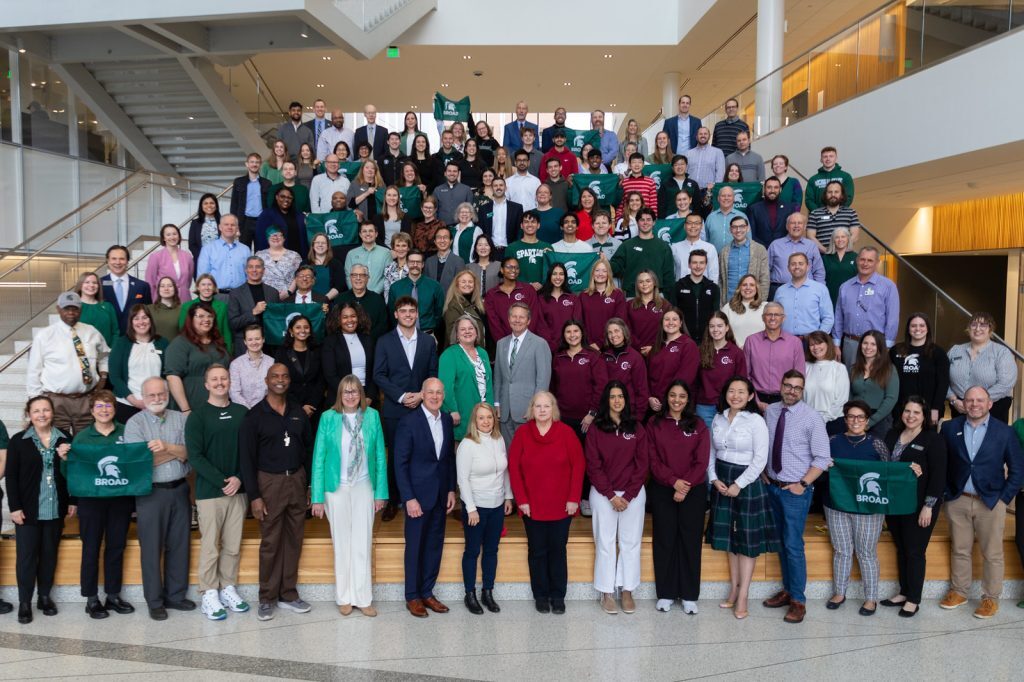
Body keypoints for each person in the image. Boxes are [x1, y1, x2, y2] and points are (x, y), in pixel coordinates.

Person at [940, 386, 1024, 618]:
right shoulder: (949, 428)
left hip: (991, 502)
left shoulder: (1004, 432)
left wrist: (1003, 499)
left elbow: (1018, 470)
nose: (974, 404)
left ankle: (990, 598)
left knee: (993, 553)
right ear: (963, 404)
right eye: (969, 400)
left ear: (990, 404)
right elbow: (941, 464)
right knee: (960, 549)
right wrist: (947, 494)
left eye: (980, 400)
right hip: (958, 500)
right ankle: (959, 591)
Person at [239, 363, 315, 621]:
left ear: (289, 380)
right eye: (275, 376)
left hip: (296, 480)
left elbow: (308, 450)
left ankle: (289, 594)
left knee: (294, 540)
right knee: (271, 542)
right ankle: (267, 597)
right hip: (268, 484)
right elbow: (246, 460)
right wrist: (254, 497)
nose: (280, 380)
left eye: (284, 376)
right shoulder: (254, 416)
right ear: (266, 380)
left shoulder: (298, 413)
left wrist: (309, 485)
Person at [311, 375, 387, 617]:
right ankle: (344, 596)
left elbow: (379, 457)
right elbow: (319, 458)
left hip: (364, 487)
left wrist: (381, 494)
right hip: (336, 489)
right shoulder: (328, 418)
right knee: (342, 542)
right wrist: (317, 498)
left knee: (362, 542)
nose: (351, 396)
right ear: (339, 395)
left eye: (355, 391)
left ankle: (363, 597)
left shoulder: (372, 416)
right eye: (346, 392)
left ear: (362, 395)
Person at [761, 369, 831, 624]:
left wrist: (803, 483)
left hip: (796, 491)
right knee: (780, 541)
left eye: (797, 387)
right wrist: (763, 473)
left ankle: (799, 600)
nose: (791, 390)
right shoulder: (770, 412)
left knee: (792, 544)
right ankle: (788, 590)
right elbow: (765, 446)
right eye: (787, 385)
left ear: (803, 391)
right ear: (781, 385)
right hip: (772, 486)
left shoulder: (812, 418)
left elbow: (823, 458)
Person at [705, 376, 777, 619]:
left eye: (741, 392)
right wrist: (713, 478)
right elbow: (711, 453)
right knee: (730, 540)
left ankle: (744, 594)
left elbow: (760, 459)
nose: (735, 395)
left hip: (746, 481)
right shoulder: (718, 417)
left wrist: (739, 484)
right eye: (731, 391)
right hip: (722, 479)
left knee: (746, 542)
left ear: (749, 396)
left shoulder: (756, 421)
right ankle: (733, 590)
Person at [508, 391, 584, 614]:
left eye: (547, 406)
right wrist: (521, 500)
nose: (542, 410)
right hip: (532, 506)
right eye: (538, 406)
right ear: (532, 409)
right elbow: (514, 469)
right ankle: (540, 595)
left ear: (554, 409)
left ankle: (558, 595)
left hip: (562, 506)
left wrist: (573, 499)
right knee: (537, 552)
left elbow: (578, 467)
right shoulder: (522, 434)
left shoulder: (566, 433)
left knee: (558, 551)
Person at [124, 377, 193, 621]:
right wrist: (175, 451)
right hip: (150, 494)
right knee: (151, 548)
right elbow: (139, 464)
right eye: (151, 395)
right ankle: (155, 601)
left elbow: (190, 453)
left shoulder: (181, 419)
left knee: (179, 544)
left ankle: (175, 596)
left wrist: (165, 447)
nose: (157, 398)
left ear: (167, 394)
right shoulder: (135, 423)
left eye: (161, 394)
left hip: (180, 490)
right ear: (143, 397)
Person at [185, 365, 250, 620]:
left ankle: (228, 587)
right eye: (215, 379)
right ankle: (209, 593)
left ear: (230, 381)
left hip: (238, 491)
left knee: (233, 545)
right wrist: (223, 480)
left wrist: (239, 479)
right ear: (206, 384)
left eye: (224, 378)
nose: (220, 382)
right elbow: (195, 457)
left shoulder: (242, 413)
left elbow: (249, 452)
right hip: (210, 492)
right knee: (211, 545)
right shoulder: (198, 416)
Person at [646, 380, 710, 615]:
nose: (677, 400)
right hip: (663, 489)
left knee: (690, 541)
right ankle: (665, 592)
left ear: (688, 399)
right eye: (672, 395)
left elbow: (702, 461)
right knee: (665, 539)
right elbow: (652, 460)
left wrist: (684, 487)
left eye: (682, 396)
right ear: (666, 397)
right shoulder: (655, 423)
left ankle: (690, 595)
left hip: (693, 490)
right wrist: (673, 481)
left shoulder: (699, 424)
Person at [584, 381, 649, 615]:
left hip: (632, 494)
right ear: (606, 400)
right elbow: (593, 465)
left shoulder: (637, 428)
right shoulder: (596, 429)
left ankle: (628, 590)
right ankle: (607, 592)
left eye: (620, 396)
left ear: (626, 400)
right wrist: (611, 495)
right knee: (605, 542)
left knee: (631, 543)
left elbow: (642, 465)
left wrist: (628, 495)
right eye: (612, 397)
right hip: (604, 494)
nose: (617, 400)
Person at [69, 390, 135, 619]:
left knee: (116, 547)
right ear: (91, 411)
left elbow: (135, 465)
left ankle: (113, 596)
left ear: (115, 409)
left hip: (120, 501)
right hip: (91, 502)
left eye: (108, 406)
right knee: (90, 549)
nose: (104, 410)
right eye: (99, 406)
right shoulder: (82, 438)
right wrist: (64, 459)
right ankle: (91, 598)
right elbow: (72, 473)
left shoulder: (127, 433)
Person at [7, 395, 73, 623]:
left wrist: (73, 500)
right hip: (27, 511)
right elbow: (11, 478)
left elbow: (73, 471)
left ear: (52, 412)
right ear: (29, 415)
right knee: (26, 558)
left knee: (48, 555)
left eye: (46, 410)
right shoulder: (18, 441)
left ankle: (44, 597)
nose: (42, 414)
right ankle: (24, 602)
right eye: (37, 411)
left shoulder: (64, 438)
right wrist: (14, 507)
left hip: (55, 508)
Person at [394, 378, 456, 618]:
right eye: (430, 392)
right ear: (422, 393)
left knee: (433, 545)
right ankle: (412, 596)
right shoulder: (408, 422)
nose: (434, 396)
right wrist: (408, 498)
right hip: (417, 499)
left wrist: (451, 489)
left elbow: (448, 458)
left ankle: (427, 592)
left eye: (439, 392)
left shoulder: (448, 420)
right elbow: (400, 464)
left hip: (440, 495)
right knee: (415, 547)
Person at [373, 296, 439, 520]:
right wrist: (401, 396)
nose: (408, 314)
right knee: (395, 456)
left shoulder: (428, 342)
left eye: (412, 310)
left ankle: (418, 497)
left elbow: (432, 373)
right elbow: (378, 375)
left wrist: (421, 395)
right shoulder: (384, 341)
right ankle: (393, 500)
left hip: (421, 407)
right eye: (403, 311)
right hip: (395, 409)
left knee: (420, 454)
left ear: (417, 314)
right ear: (395, 314)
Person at [822, 400, 891, 615]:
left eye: (860, 417)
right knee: (841, 550)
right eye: (851, 416)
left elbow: (888, 474)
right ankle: (839, 593)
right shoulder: (832, 441)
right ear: (845, 419)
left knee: (866, 553)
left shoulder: (877, 444)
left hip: (868, 508)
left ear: (867, 421)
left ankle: (871, 598)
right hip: (837, 505)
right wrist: (826, 466)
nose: (855, 421)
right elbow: (820, 469)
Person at [882, 396, 947, 617]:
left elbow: (939, 476)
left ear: (924, 416)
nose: (911, 416)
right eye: (907, 411)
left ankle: (914, 598)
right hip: (895, 502)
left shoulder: (933, 439)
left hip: (920, 504)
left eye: (916, 412)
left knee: (915, 550)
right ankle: (904, 591)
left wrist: (929, 506)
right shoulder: (892, 435)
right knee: (901, 548)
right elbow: (884, 466)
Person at [27, 291, 110, 435]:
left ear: (80, 309)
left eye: (75, 308)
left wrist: (103, 376)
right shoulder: (45, 336)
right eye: (66, 308)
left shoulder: (91, 331)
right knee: (58, 445)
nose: (71, 312)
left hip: (86, 399)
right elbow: (34, 371)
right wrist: (36, 403)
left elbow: (104, 355)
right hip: (56, 402)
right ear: (58, 309)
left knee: (86, 444)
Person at [455, 402, 511, 615]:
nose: (486, 421)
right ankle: (470, 594)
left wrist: (508, 496)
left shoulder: (498, 440)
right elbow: (463, 479)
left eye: (489, 417)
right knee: (472, 551)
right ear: (474, 421)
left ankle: (488, 591)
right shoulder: (467, 445)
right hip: (476, 507)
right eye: (481, 418)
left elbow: (504, 471)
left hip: (497, 505)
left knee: (491, 550)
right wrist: (470, 508)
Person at [494, 303, 552, 446]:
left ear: (528, 321)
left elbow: (543, 380)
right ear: (509, 319)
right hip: (505, 412)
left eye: (522, 317)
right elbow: (498, 377)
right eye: (514, 316)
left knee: (528, 453)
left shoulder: (540, 344)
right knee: (508, 454)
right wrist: (497, 403)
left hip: (527, 411)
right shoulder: (501, 344)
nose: (517, 320)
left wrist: (536, 407)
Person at [946, 311, 1018, 423]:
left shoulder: (1001, 352)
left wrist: (978, 402)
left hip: (993, 408)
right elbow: (942, 379)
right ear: (968, 329)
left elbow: (1005, 383)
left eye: (983, 325)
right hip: (959, 408)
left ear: (990, 329)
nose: (977, 328)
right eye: (973, 325)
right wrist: (953, 400)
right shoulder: (955, 350)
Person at [165, 302, 232, 414]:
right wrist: (186, 409)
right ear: (191, 319)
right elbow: (172, 377)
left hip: (219, 405)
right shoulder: (180, 343)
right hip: (191, 405)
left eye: (210, 316)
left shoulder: (218, 342)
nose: (206, 319)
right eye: (201, 316)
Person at [109, 304, 168, 424]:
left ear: (150, 320)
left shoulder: (163, 343)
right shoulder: (121, 343)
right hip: (127, 404)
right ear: (131, 322)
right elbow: (115, 377)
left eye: (145, 317)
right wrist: (134, 401)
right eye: (136, 318)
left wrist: (157, 399)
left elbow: (168, 374)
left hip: (157, 404)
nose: (141, 322)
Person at [551, 319, 606, 444]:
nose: (572, 335)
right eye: (568, 332)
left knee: (587, 455)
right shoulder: (558, 357)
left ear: (582, 333)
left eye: (576, 331)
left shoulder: (593, 355)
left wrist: (592, 413)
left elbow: (601, 387)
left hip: (586, 418)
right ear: (563, 335)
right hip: (562, 417)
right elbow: (553, 387)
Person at [440, 315, 493, 441]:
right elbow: (445, 386)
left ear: (476, 331)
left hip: (484, 416)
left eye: (471, 328)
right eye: (462, 329)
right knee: (464, 451)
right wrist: (452, 410)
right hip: (462, 414)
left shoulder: (483, 353)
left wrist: (491, 410)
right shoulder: (449, 354)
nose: (467, 331)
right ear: (457, 335)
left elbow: (489, 384)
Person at [890, 313, 950, 425]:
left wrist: (936, 409)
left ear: (927, 329)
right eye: (913, 326)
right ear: (908, 329)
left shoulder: (938, 353)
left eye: (922, 325)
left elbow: (943, 383)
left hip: (928, 411)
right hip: (900, 410)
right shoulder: (895, 351)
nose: (918, 329)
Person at [744, 302, 805, 409]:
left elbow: (799, 376)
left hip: (784, 399)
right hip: (756, 397)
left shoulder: (795, 343)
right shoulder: (751, 341)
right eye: (769, 314)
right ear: (763, 318)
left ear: (783, 318)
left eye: (777, 315)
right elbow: (745, 374)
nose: (772, 318)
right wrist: (755, 401)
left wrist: (787, 401)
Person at [696, 311, 747, 427]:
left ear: (727, 327)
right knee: (707, 443)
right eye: (712, 326)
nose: (715, 330)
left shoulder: (736, 353)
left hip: (729, 406)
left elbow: (742, 381)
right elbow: (695, 381)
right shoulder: (700, 351)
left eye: (720, 326)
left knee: (726, 443)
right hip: (704, 406)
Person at [647, 307, 699, 417]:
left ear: (680, 323)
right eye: (666, 319)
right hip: (655, 405)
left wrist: (667, 399)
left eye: (674, 319)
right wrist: (650, 397)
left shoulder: (688, 345)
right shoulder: (657, 346)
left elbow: (685, 377)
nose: (670, 322)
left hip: (676, 404)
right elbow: (647, 375)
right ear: (662, 323)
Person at [275, 314, 325, 428]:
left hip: (315, 407)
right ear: (291, 331)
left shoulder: (317, 351)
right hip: (291, 406)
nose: (302, 330)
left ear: (310, 331)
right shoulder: (282, 352)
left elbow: (321, 380)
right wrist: (299, 406)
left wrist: (311, 404)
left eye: (306, 327)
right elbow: (280, 381)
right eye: (298, 327)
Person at [850, 330, 900, 438]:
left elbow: (891, 398)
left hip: (879, 420)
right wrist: (852, 418)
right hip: (855, 419)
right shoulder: (853, 369)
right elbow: (849, 396)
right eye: (865, 343)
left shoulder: (889, 369)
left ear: (880, 347)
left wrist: (870, 422)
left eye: (873, 344)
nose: (868, 347)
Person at [773, 253, 834, 337]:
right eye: (793, 264)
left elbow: (828, 318)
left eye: (801, 263)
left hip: (811, 342)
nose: (797, 266)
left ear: (808, 266)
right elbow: (775, 316)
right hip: (785, 341)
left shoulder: (820, 289)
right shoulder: (780, 291)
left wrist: (818, 338)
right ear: (788, 268)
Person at [767, 213, 825, 300]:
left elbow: (819, 271)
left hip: (807, 290)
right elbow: (765, 270)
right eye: (793, 223)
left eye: (800, 223)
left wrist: (820, 291)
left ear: (805, 227)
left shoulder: (811, 246)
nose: (796, 226)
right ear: (787, 226)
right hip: (778, 289)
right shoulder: (775, 245)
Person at [600, 319, 649, 423]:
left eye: (617, 331)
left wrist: (639, 417)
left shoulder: (635, 357)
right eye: (610, 332)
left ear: (624, 332)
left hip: (629, 412)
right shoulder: (603, 357)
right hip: (608, 412)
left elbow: (642, 389)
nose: (613, 335)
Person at [573, 257, 626, 352]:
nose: (600, 274)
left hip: (611, 345)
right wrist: (588, 342)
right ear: (592, 273)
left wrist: (600, 343)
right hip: (588, 346)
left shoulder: (617, 294)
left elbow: (619, 322)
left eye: (604, 271)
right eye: (597, 270)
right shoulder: (583, 295)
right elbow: (579, 321)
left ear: (609, 274)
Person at [803, 330, 850, 435]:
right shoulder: (805, 367)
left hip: (833, 422)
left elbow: (841, 401)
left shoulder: (839, 368)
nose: (816, 347)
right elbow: (801, 397)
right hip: (808, 421)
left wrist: (822, 419)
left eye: (819, 343)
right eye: (812, 344)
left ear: (828, 344)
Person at [484, 257, 542, 341]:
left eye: (516, 267)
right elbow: (494, 324)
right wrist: (505, 343)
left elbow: (533, 317)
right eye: (509, 267)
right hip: (503, 343)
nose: (513, 270)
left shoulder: (528, 290)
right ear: (502, 270)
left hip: (528, 341)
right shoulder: (492, 294)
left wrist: (525, 340)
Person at [388, 250, 445, 334]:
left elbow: (439, 313)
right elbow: (392, 313)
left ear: (422, 264)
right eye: (412, 262)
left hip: (427, 334)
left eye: (418, 262)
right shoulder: (395, 287)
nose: (415, 265)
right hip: (403, 334)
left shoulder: (435, 286)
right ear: (407, 264)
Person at [101, 245, 153, 333]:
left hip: (135, 337)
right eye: (114, 258)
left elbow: (148, 315)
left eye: (122, 259)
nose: (118, 262)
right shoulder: (98, 285)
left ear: (127, 261)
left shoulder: (142, 286)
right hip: (107, 337)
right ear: (108, 261)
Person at [673, 249, 721, 343]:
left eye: (701, 263)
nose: (698, 266)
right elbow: (674, 313)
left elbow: (716, 315)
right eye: (694, 262)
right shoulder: (678, 286)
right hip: (683, 339)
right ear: (689, 265)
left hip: (707, 340)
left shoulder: (714, 288)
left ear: (706, 265)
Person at [718, 216, 768, 304]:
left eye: (742, 226)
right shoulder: (724, 252)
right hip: (729, 302)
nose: (738, 230)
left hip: (752, 302)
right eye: (734, 227)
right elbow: (720, 280)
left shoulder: (759, 250)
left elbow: (764, 279)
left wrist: (760, 303)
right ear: (730, 230)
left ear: (748, 228)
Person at [197, 215, 251, 293]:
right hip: (216, 295)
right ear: (220, 227)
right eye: (226, 224)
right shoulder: (207, 249)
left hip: (241, 295)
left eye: (233, 225)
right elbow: (202, 277)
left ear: (237, 228)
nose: (229, 227)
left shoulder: (245, 249)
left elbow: (249, 275)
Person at [336, 263, 389, 343]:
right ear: (350, 278)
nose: (358, 278)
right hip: (344, 344)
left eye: (362, 275)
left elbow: (383, 325)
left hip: (371, 344)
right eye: (354, 275)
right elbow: (335, 323)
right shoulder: (340, 299)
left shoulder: (377, 299)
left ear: (368, 278)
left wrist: (366, 339)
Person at [144, 224, 194, 307]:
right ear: (163, 238)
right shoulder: (156, 256)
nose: (172, 237)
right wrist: (153, 302)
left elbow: (188, 281)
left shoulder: (187, 256)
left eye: (175, 234)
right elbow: (150, 281)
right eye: (168, 235)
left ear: (179, 236)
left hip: (184, 300)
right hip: (163, 301)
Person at [808, 181, 861, 253]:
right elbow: (810, 236)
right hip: (822, 257)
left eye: (836, 192)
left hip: (845, 255)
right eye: (830, 192)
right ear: (825, 195)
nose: (833, 195)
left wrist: (842, 250)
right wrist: (826, 251)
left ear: (842, 195)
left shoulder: (851, 213)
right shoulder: (815, 214)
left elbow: (855, 236)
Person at [180, 274, 232, 347]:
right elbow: (183, 330)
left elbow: (226, 332)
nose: (206, 288)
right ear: (198, 287)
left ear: (214, 287)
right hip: (194, 346)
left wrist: (228, 353)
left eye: (209, 285)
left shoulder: (223, 306)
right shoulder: (187, 306)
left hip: (217, 347)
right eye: (203, 284)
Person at [229, 154, 270, 246]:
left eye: (257, 162)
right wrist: (234, 225)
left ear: (260, 165)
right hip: (244, 222)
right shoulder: (239, 182)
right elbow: (234, 205)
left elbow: (269, 206)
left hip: (261, 221)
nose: (254, 164)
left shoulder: (267, 183)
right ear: (247, 164)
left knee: (261, 251)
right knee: (244, 251)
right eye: (252, 162)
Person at [228, 325, 273, 409]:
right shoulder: (236, 364)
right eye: (250, 339)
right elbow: (234, 393)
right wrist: (249, 410)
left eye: (257, 339)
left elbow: (273, 391)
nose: (254, 342)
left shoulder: (272, 362)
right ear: (245, 341)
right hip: (243, 412)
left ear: (263, 339)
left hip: (268, 412)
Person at [625, 271, 670, 355]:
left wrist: (655, 347)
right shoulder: (629, 305)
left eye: (648, 281)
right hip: (635, 352)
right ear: (637, 285)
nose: (644, 284)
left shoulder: (665, 305)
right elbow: (626, 329)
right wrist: (639, 347)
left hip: (659, 352)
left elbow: (669, 329)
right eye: (641, 282)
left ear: (655, 283)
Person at [536, 264, 579, 351]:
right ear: (549, 276)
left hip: (569, 346)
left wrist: (569, 343)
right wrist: (551, 345)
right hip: (547, 347)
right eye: (554, 274)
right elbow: (540, 325)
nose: (558, 277)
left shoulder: (573, 298)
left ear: (565, 277)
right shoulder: (541, 299)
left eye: (561, 274)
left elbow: (577, 322)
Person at [505, 209, 552, 286]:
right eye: (526, 222)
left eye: (533, 222)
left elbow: (552, 272)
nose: (529, 225)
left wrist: (543, 285)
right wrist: (528, 285)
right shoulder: (511, 248)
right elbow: (508, 272)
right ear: (521, 225)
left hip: (543, 291)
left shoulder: (547, 247)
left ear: (538, 225)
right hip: (519, 291)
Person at [748, 176, 798, 248]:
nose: (772, 190)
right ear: (764, 189)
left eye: (776, 187)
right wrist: (764, 247)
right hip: (761, 251)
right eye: (769, 187)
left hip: (784, 250)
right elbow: (751, 234)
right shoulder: (754, 209)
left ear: (780, 190)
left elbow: (791, 232)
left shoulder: (789, 208)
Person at [255, 187, 308, 254]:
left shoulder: (299, 216)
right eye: (282, 196)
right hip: (276, 257)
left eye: (289, 198)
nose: (286, 200)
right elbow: (260, 238)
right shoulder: (266, 215)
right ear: (276, 197)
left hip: (297, 257)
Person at [478, 177, 522, 258]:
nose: (498, 188)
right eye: (495, 185)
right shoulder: (484, 209)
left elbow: (519, 231)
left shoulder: (517, 208)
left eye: (501, 185)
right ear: (492, 188)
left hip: (510, 250)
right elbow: (481, 231)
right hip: (490, 251)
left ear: (505, 188)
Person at [442, 269, 486, 349]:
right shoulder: (454, 305)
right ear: (457, 284)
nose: (467, 284)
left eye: (470, 282)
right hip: (464, 353)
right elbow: (453, 335)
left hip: (478, 351)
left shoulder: (477, 304)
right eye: (463, 282)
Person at [255, 226, 302, 300]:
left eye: (279, 235)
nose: (276, 238)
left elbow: (299, 275)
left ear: (284, 238)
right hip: (265, 296)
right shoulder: (259, 255)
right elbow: (255, 275)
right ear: (267, 238)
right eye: (272, 235)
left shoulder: (294, 256)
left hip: (288, 296)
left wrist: (289, 292)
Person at [344, 222, 392, 295]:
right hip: (355, 297)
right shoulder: (351, 254)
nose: (368, 234)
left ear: (376, 234)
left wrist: (374, 294)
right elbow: (348, 276)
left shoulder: (386, 253)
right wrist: (356, 293)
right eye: (364, 231)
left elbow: (387, 276)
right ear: (360, 234)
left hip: (378, 296)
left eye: (370, 231)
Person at [671, 214, 719, 284]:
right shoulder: (675, 248)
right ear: (684, 226)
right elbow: (672, 274)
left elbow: (714, 274)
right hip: (680, 291)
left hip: (703, 291)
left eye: (696, 223)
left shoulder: (710, 248)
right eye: (689, 223)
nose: (693, 226)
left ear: (701, 226)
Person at [75, 271, 119, 348]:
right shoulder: (74, 307)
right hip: (82, 355)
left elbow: (115, 332)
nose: (91, 285)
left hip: (106, 354)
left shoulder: (107, 306)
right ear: (80, 285)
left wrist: (113, 350)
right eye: (87, 282)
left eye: (95, 283)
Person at [722, 274, 767, 347]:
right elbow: (723, 333)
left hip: (759, 352)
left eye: (752, 285)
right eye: (744, 285)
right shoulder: (727, 308)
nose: (748, 287)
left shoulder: (765, 307)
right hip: (735, 352)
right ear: (739, 288)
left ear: (757, 288)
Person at [805, 146, 855, 212]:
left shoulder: (846, 177)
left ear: (836, 158)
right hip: (818, 217)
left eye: (831, 156)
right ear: (821, 159)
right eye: (825, 156)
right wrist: (818, 213)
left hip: (840, 216)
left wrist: (838, 211)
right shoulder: (813, 179)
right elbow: (809, 200)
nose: (828, 159)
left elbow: (849, 197)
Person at [424, 226, 467, 295]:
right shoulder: (429, 262)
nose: (442, 240)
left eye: (445, 237)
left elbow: (461, 288)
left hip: (451, 303)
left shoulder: (459, 262)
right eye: (439, 237)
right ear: (435, 241)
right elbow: (425, 286)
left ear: (451, 241)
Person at [704, 186, 747, 254]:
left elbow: (748, 239)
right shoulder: (710, 217)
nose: (726, 198)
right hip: (714, 258)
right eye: (723, 196)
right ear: (718, 198)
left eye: (729, 196)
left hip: (736, 258)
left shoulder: (742, 216)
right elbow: (705, 239)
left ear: (734, 198)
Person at [822, 226, 858, 306]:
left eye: (843, 237)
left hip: (851, 297)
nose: (840, 240)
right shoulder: (825, 258)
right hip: (830, 297)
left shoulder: (856, 257)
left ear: (848, 239)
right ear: (833, 240)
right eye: (837, 237)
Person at [658, 155, 701, 219]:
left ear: (686, 166)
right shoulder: (665, 184)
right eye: (676, 165)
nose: (679, 167)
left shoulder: (693, 184)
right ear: (672, 167)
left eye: (682, 164)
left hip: (690, 221)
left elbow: (697, 205)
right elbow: (661, 205)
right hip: (670, 220)